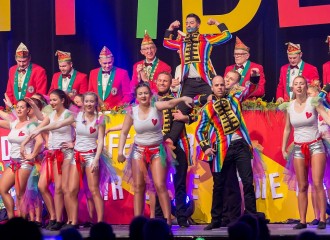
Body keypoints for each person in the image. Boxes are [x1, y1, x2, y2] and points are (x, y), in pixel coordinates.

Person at [117, 82, 192, 226]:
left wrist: (183, 99)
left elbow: (170, 103)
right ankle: (137, 222)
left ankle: (168, 221)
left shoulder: (156, 106)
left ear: (150, 95)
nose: (143, 96)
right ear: (137, 96)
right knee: (139, 187)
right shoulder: (132, 111)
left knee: (159, 184)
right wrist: (120, 152)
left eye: (146, 93)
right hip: (138, 151)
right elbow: (124, 132)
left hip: (157, 149)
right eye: (140, 94)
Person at [195, 74, 258, 230]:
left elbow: (248, 90)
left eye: (222, 85)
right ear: (212, 88)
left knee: (247, 183)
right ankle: (216, 219)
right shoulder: (208, 108)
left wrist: (254, 78)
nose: (220, 87)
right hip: (222, 149)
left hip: (241, 145)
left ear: (225, 86)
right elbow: (199, 130)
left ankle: (251, 218)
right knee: (219, 185)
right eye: (217, 85)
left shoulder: (235, 100)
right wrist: (205, 147)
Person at [163, 13, 232, 145]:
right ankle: (171, 140)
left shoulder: (206, 39)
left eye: (192, 23)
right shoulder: (182, 42)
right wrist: (170, 28)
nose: (188, 25)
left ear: (198, 24)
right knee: (180, 110)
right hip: (188, 83)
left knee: (216, 102)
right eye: (187, 23)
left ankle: (221, 138)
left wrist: (217, 23)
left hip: (205, 80)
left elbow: (227, 35)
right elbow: (166, 43)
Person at [281, 76, 330, 229]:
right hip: (298, 148)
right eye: (296, 84)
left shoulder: (313, 102)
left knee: (317, 183)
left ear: (306, 86)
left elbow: (326, 116)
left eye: (302, 83)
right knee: (302, 186)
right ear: (292, 87)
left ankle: (322, 218)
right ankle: (302, 220)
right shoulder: (289, 106)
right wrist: (283, 147)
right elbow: (288, 128)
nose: (299, 86)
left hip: (315, 146)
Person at [28, 89, 75, 231]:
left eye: (55, 100)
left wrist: (74, 142)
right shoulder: (52, 114)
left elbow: (80, 129)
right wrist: (34, 106)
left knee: (61, 188)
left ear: (62, 100)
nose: (52, 103)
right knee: (49, 187)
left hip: (65, 153)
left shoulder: (69, 114)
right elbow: (42, 118)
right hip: (52, 153)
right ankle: (55, 217)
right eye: (51, 100)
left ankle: (62, 219)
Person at [155, 72, 192, 227]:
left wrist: (170, 139)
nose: (162, 83)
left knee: (180, 183)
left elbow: (180, 121)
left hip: (176, 146)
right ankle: (159, 216)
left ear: (171, 83)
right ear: (156, 82)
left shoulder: (177, 100)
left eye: (166, 81)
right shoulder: (150, 101)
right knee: (158, 183)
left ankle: (182, 216)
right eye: (160, 81)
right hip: (156, 146)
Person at [0, 100, 43, 219]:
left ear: (28, 110)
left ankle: (22, 222)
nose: (19, 109)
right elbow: (3, 116)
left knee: (20, 194)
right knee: (3, 189)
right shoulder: (14, 123)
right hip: (13, 162)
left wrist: (32, 155)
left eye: (22, 107)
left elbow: (39, 141)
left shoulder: (31, 125)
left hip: (25, 163)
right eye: (17, 107)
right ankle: (11, 219)